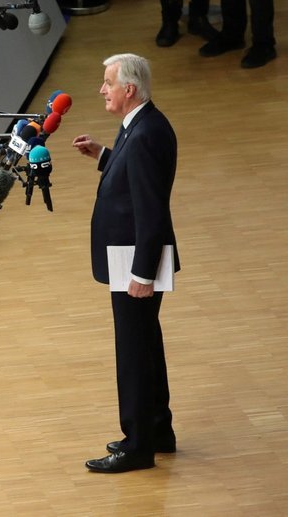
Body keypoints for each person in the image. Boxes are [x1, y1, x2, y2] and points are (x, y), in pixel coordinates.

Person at [72, 53, 179, 473]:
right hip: (131, 259)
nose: (102, 89)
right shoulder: (143, 125)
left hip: (134, 263)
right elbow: (133, 174)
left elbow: (151, 210)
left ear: (128, 89)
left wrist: (142, 273)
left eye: (107, 83)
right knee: (146, 346)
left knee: (133, 354)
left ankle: (138, 447)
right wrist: (103, 156)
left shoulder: (147, 133)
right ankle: (157, 431)